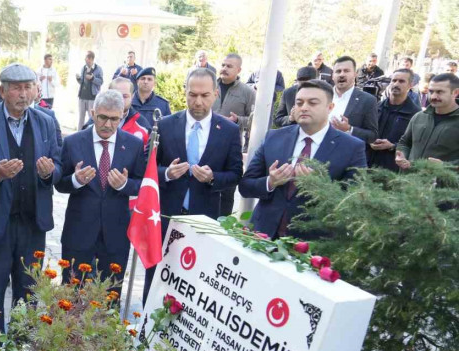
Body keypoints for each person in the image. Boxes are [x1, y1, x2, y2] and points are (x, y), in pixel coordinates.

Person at [0, 63, 61, 342]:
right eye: (16, 88)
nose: (23, 93)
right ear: (3, 91)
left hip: (32, 224)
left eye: (28, 87)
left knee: (28, 290)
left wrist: (49, 173)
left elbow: (59, 164)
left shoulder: (46, 121)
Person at [143, 68, 243, 303]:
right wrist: (166, 173)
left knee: (194, 280)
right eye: (192, 95)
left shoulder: (228, 131)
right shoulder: (165, 125)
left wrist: (212, 178)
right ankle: (145, 328)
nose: (198, 101)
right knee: (156, 275)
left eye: (204, 95)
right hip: (165, 217)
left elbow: (236, 174)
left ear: (216, 94)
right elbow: (144, 168)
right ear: (185, 92)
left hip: (204, 220)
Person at [239, 80, 367, 239]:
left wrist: (321, 188)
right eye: (299, 103)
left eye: (312, 103)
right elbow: (245, 186)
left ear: (330, 107)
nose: (304, 107)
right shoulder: (274, 137)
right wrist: (270, 182)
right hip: (262, 236)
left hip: (312, 246)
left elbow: (356, 202)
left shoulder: (352, 147)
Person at [56, 89, 145, 286]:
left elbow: (142, 185)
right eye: (103, 117)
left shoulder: (134, 145)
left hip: (115, 234)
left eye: (114, 119)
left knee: (110, 295)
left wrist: (125, 185)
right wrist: (76, 180)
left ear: (122, 116)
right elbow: (59, 183)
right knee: (70, 293)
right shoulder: (73, 142)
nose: (108, 124)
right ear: (93, 113)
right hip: (78, 231)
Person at [212, 54, 254, 217]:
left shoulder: (247, 92)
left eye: (229, 66)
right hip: (207, 144)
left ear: (239, 70)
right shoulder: (210, 86)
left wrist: (238, 120)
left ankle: (222, 225)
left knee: (227, 191)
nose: (224, 68)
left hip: (230, 148)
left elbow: (255, 121)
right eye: (223, 64)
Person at [396, 73, 459, 169]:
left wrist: (446, 166)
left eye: (439, 92)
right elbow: (404, 142)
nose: (433, 96)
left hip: (442, 182)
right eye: (431, 91)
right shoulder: (419, 116)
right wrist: (402, 155)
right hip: (409, 180)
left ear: (455, 92)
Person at [369, 69, 421, 171]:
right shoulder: (376, 107)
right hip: (368, 163)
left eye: (401, 81)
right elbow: (365, 131)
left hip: (392, 168)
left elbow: (416, 144)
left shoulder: (416, 114)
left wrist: (392, 146)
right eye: (394, 80)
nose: (396, 84)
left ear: (410, 85)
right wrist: (369, 140)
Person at [329, 56, 379, 145]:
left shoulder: (368, 100)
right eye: (338, 71)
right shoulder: (323, 95)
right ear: (333, 76)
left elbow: (372, 136)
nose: (342, 74)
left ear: (355, 74)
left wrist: (349, 129)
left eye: (346, 71)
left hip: (346, 154)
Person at [76, 51, 103, 130]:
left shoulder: (98, 69)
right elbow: (82, 82)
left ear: (91, 59)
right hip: (82, 96)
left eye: (86, 58)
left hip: (92, 97)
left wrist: (92, 78)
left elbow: (101, 82)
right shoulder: (83, 68)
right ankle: (79, 134)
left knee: (91, 118)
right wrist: (78, 79)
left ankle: (90, 133)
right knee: (81, 117)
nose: (85, 60)